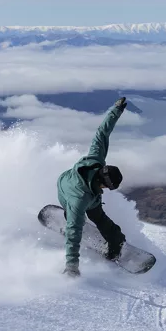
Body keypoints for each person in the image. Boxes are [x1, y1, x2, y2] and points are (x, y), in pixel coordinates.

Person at [56, 97, 129, 277]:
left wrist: (116, 110)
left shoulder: (96, 161)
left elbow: (101, 134)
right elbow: (73, 234)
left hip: (86, 191)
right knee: (75, 220)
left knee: (99, 217)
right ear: (102, 182)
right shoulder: (79, 199)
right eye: (108, 187)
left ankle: (116, 242)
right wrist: (72, 265)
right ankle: (68, 215)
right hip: (66, 190)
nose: (107, 190)